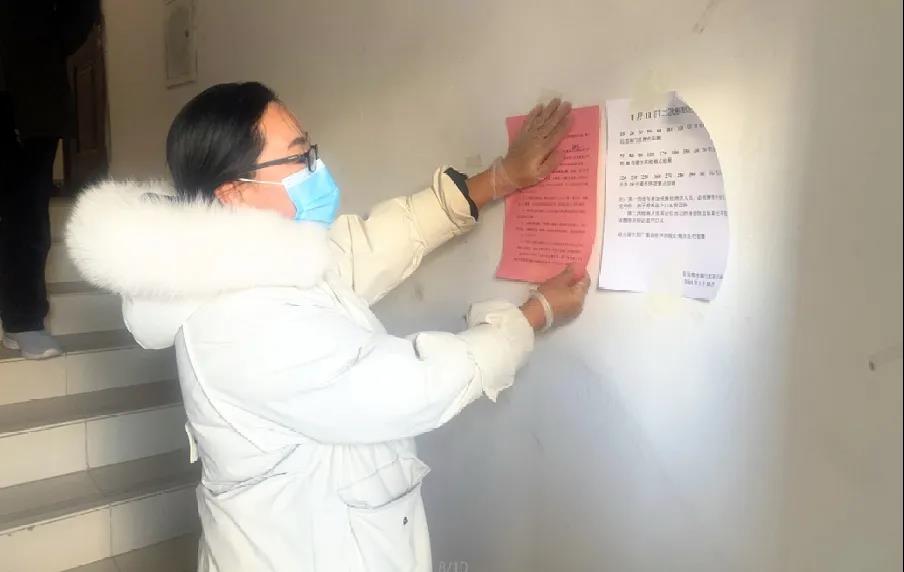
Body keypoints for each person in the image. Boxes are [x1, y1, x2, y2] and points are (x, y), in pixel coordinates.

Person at [66, 82, 590, 571]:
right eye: (299, 157)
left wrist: (498, 179)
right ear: (235, 192)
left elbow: (366, 248)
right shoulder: (239, 323)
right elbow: (411, 387)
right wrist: (530, 316)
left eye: (310, 150)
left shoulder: (253, 258)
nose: (317, 168)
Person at [0, 0, 100, 359]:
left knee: (26, 214)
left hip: (30, 95)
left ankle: (23, 319)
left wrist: (40, 43)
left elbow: (80, 13)